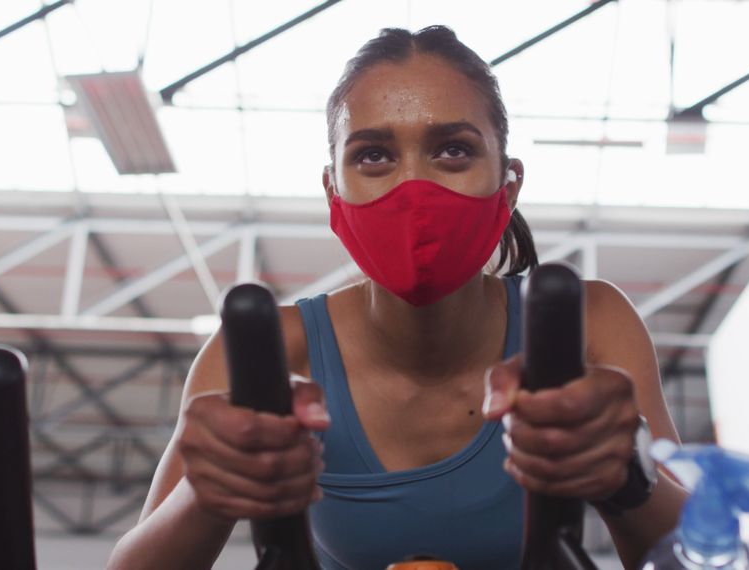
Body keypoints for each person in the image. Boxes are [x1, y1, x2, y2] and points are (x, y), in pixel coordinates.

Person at [108, 26, 688, 570]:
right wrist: (205, 493)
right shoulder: (266, 353)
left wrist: (629, 471)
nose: (415, 189)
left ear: (508, 184)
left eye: (454, 151)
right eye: (373, 156)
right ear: (333, 190)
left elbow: (697, 555)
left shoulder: (586, 326)